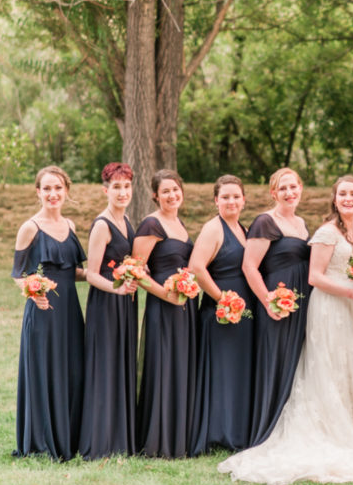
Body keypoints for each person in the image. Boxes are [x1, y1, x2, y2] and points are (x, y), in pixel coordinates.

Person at [218, 176, 353, 485]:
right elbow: (314, 277)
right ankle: (332, 433)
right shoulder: (326, 232)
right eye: (342, 193)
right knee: (329, 369)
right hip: (331, 307)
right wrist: (351, 292)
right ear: (334, 199)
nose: (348, 198)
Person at [10, 165, 86, 461]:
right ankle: (42, 441)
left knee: (72, 371)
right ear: (38, 192)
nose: (53, 194)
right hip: (43, 312)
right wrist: (34, 292)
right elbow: (18, 274)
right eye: (47, 189)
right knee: (45, 371)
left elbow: (73, 271)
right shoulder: (30, 228)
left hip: (70, 311)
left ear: (66, 191)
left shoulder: (71, 226)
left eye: (58, 188)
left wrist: (103, 275)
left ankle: (70, 436)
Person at [242, 167, 311, 446]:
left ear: (300, 189)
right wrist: (268, 301)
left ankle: (292, 430)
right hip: (276, 303)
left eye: (293, 187)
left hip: (301, 304)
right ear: (273, 193)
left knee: (296, 364)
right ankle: (268, 430)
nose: (289, 192)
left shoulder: (302, 223)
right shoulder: (265, 222)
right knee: (276, 362)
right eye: (282, 188)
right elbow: (249, 266)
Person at [188, 175, 256, 454]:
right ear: (216, 200)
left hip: (243, 312)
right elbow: (196, 267)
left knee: (237, 370)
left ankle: (237, 430)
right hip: (220, 312)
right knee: (222, 371)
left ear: (244, 200)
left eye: (236, 196)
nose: (231, 201)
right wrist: (223, 299)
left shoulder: (243, 229)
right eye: (225, 197)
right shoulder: (213, 228)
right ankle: (218, 433)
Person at [80, 162, 142, 460]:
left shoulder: (126, 220)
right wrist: (116, 289)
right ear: (106, 190)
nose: (122, 192)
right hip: (106, 304)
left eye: (126, 186)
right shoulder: (102, 225)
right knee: (105, 365)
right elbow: (91, 274)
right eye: (116, 187)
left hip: (125, 303)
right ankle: (101, 441)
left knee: (121, 363)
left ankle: (121, 437)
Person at [133, 170, 196, 458]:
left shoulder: (179, 224)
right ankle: (158, 439)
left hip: (185, 306)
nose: (172, 195)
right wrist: (166, 295)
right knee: (163, 366)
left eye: (175, 189)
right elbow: (135, 271)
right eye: (166, 191)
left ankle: (179, 435)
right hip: (163, 306)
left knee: (180, 366)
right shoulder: (151, 224)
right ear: (155, 195)